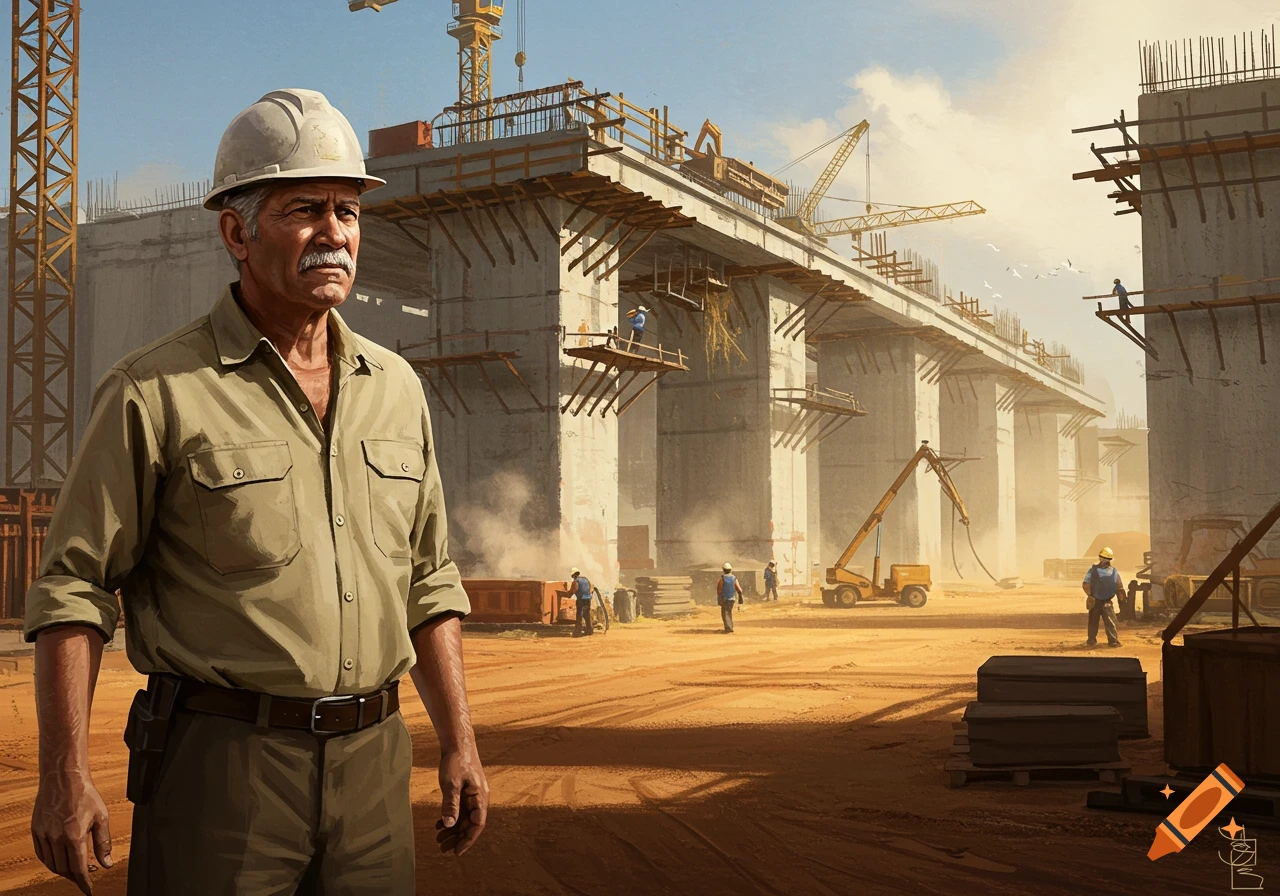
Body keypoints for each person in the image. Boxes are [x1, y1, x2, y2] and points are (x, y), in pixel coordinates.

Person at [23, 89, 487, 896]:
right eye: (304, 209)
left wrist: (460, 739)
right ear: (236, 231)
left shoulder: (397, 389)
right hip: (222, 773)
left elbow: (429, 580)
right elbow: (73, 587)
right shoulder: (154, 391)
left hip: (375, 765)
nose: (334, 234)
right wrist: (63, 773)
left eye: (347, 210)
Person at [1083, 547, 1124, 648]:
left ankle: (1113, 640)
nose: (1104, 560)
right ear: (1100, 558)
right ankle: (1091, 639)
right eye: (1102, 558)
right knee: (1093, 621)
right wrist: (1090, 595)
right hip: (1095, 600)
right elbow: (1086, 583)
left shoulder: (1114, 572)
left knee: (1110, 621)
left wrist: (1122, 599)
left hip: (1107, 601)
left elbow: (1119, 587)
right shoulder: (1092, 571)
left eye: (1106, 558)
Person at [717, 562, 744, 633]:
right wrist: (740, 597)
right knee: (729, 612)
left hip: (724, 598)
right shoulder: (734, 578)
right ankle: (730, 627)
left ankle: (728, 628)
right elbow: (739, 589)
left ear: (723, 570)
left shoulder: (722, 578)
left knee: (725, 613)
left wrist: (719, 598)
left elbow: (719, 589)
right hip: (732, 599)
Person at [570, 567, 593, 637]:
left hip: (581, 600)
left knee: (579, 616)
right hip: (588, 599)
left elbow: (574, 590)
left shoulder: (576, 581)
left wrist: (567, 594)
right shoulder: (586, 579)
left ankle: (577, 632)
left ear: (573, 575)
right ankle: (589, 630)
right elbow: (591, 587)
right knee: (587, 615)